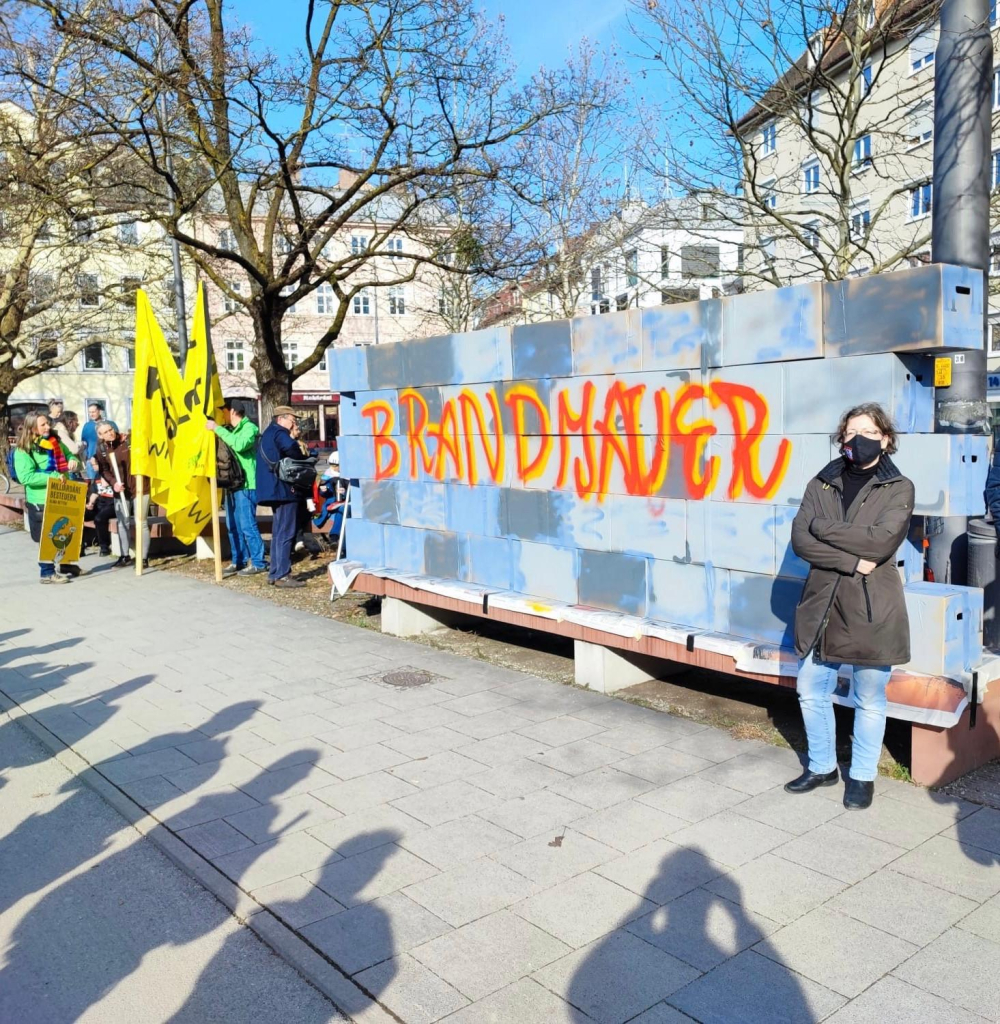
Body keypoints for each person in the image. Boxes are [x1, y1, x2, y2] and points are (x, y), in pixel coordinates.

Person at [785, 403, 915, 811]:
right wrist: (848, 558)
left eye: (869, 431)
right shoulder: (821, 483)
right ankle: (822, 766)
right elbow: (801, 541)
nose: (858, 438)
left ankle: (861, 776)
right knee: (810, 689)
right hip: (822, 601)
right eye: (851, 431)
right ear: (841, 438)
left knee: (869, 696)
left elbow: (880, 543)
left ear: (886, 439)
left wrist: (824, 528)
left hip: (871, 606)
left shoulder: (899, 488)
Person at [13, 410, 82, 583]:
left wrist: (73, 460)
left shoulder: (55, 441)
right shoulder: (24, 450)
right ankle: (47, 573)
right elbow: (26, 477)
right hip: (41, 499)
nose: (47, 426)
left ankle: (66, 565)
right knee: (47, 537)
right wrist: (51, 477)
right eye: (42, 424)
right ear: (32, 427)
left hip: (63, 494)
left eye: (47, 423)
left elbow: (70, 456)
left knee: (66, 530)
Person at [207, 399, 267, 577]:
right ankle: (238, 560)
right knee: (233, 525)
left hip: (247, 485)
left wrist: (217, 428)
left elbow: (240, 445)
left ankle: (258, 562)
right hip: (231, 484)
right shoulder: (230, 429)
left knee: (247, 525)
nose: (222, 415)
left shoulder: (250, 428)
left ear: (232, 411)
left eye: (223, 411)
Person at [256, 406, 310, 589]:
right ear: (281, 418)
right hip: (283, 489)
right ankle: (283, 574)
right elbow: (292, 450)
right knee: (286, 532)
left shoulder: (268, 434)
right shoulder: (280, 432)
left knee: (279, 532)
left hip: (272, 490)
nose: (293, 424)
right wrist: (300, 451)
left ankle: (274, 572)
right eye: (292, 420)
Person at [93, 420, 150, 567]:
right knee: (122, 523)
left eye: (111, 429)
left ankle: (143, 558)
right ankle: (124, 556)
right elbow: (103, 469)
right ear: (100, 435)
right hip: (120, 490)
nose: (110, 433)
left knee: (141, 522)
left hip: (139, 487)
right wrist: (114, 483)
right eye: (105, 432)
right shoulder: (102, 449)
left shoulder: (128, 440)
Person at [81, 403, 117, 480]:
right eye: (90, 412)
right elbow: (84, 444)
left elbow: (116, 440)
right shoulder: (87, 426)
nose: (91, 414)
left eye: (93, 412)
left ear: (99, 411)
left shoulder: (110, 424)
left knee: (111, 483)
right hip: (92, 461)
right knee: (94, 486)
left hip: (108, 459)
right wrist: (86, 459)